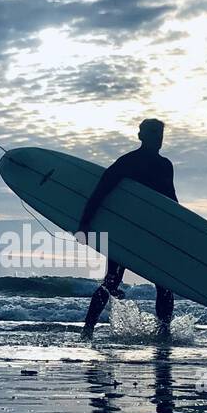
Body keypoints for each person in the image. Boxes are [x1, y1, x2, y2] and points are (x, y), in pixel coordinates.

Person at [77, 118, 176, 337]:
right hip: (125, 233)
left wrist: (182, 232)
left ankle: (164, 333)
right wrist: (84, 223)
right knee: (112, 280)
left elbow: (172, 203)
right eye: (152, 134)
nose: (157, 139)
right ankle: (88, 329)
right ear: (141, 136)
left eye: (160, 135)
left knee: (164, 284)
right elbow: (101, 191)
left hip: (153, 233)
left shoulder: (165, 165)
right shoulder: (128, 162)